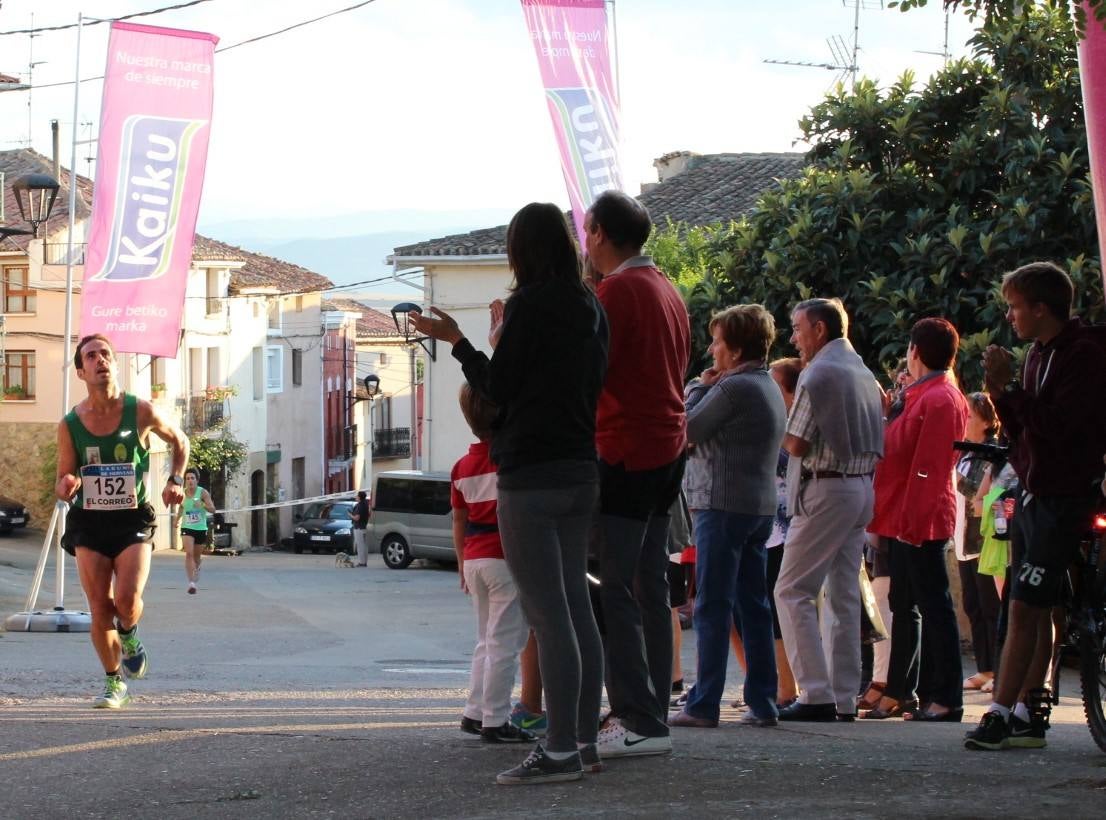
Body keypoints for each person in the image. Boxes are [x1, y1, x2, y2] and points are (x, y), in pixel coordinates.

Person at [412, 202, 608, 784]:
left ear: (523, 252)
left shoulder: (529, 306)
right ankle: (584, 742)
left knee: (549, 619)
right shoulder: (590, 306)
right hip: (581, 468)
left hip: (531, 476)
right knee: (576, 609)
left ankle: (558, 752)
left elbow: (497, 387)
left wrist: (462, 342)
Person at [967, 261, 1106, 751]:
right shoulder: (1036, 355)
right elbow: (1023, 428)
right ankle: (1029, 706)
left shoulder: (1084, 354)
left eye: (1015, 307)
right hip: (1032, 489)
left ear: (1041, 308)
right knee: (1034, 606)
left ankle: (1000, 712)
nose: (1010, 317)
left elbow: (1060, 426)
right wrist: (1003, 393)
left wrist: (1008, 391)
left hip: (1064, 494)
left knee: (1025, 606)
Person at [584, 190, 690, 757]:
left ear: (598, 232)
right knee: (650, 585)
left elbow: (593, 372)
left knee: (614, 587)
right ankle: (649, 707)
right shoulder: (665, 287)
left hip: (627, 449)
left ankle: (637, 715)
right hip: (666, 449)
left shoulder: (619, 290)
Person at [669, 304, 786, 729]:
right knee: (753, 605)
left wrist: (698, 387)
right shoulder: (766, 384)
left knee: (712, 606)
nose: (711, 349)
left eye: (717, 341)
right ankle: (763, 700)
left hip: (722, 504)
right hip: (757, 507)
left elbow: (685, 430)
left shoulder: (733, 388)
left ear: (735, 350)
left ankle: (703, 703)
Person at [56, 333, 188, 709]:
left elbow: (180, 441)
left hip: (132, 518)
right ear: (81, 371)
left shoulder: (140, 410)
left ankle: (129, 632)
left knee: (127, 602)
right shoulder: (70, 424)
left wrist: (175, 480)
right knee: (100, 607)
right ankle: (114, 683)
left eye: (106, 354)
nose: (101, 360)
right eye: (92, 356)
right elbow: (63, 478)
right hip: (89, 522)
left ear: (115, 363)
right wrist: (66, 484)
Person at [774, 298, 884, 722]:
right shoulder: (861, 369)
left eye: (798, 328)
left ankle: (815, 694)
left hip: (827, 487)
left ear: (819, 329)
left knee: (791, 590)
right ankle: (842, 697)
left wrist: (777, 424)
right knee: (842, 595)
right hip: (860, 485)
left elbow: (797, 443)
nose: (794, 338)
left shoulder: (817, 373)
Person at [864, 318, 969, 722]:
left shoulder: (940, 397)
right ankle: (903, 690)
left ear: (916, 351)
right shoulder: (922, 393)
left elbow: (928, 468)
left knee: (932, 604)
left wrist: (910, 523)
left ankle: (944, 696)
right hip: (903, 515)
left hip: (918, 518)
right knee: (905, 603)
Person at [452, 383, 534, 745]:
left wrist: (461, 563)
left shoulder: (461, 467)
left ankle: (475, 710)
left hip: (474, 558)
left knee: (484, 639)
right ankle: (495, 719)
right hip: (505, 558)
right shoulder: (510, 461)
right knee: (506, 642)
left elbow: (458, 519)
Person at [955, 392, 1003, 693]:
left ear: (987, 420)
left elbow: (981, 494)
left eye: (970, 416)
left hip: (984, 540)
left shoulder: (992, 452)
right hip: (963, 541)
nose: (965, 421)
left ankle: (1000, 669)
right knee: (973, 605)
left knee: (991, 608)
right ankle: (985, 668)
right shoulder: (966, 451)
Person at [180, 467, 216, 594]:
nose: (190, 481)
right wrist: (176, 520)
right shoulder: (182, 493)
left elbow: (213, 509)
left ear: (197, 480)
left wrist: (202, 505)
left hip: (200, 527)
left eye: (192, 478)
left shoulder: (203, 493)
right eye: (188, 478)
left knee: (196, 556)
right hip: (186, 527)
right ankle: (191, 583)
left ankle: (197, 567)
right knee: (188, 553)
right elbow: (181, 507)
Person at [351, 490, 370, 566]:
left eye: (357, 496)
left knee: (360, 545)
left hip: (359, 527)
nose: (356, 497)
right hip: (365, 526)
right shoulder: (366, 504)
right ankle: (365, 562)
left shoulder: (359, 505)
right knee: (365, 545)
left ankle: (361, 562)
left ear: (359, 497)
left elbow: (357, 518)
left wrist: (350, 515)